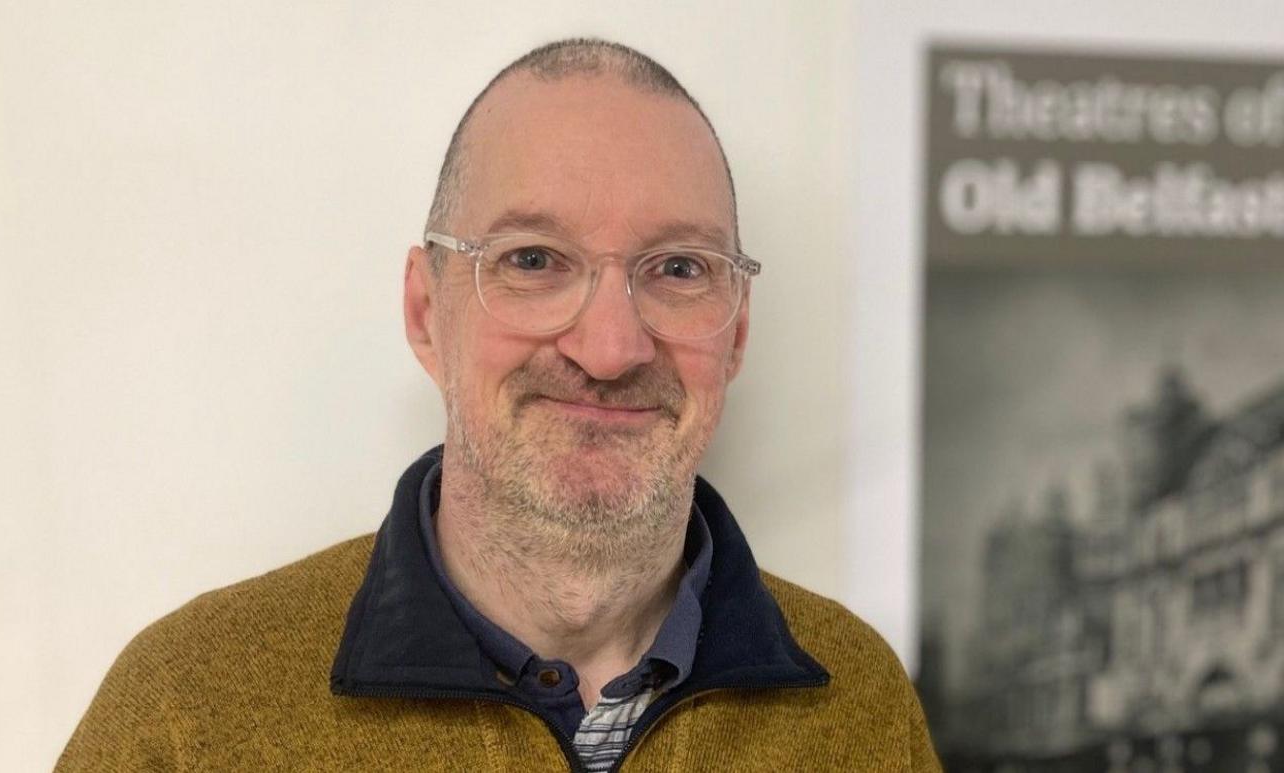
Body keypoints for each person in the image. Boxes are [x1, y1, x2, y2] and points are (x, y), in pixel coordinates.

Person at [57, 38, 940, 772]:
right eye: (532, 259)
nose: (609, 348)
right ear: (424, 312)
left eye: (677, 269)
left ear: (736, 332)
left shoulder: (860, 706)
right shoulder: (189, 710)